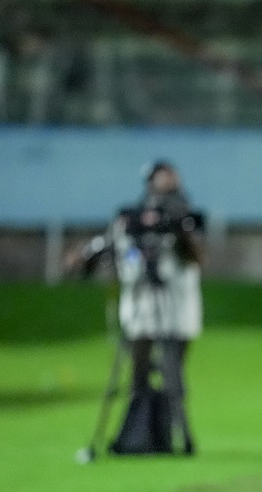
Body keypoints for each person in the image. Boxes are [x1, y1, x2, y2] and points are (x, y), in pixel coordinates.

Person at [72, 160, 203, 453]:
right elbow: (102, 251)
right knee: (138, 374)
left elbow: (195, 254)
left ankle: (169, 434)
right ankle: (138, 434)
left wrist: (178, 226)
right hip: (140, 308)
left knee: (172, 373)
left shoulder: (184, 218)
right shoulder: (130, 221)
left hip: (177, 308)